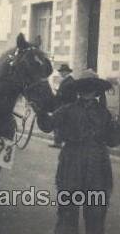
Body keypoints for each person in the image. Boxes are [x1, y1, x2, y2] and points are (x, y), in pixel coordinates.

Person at [37, 69, 120, 234]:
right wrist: (40, 110)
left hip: (97, 167)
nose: (87, 91)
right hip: (71, 164)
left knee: (96, 214)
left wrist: (117, 126)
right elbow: (47, 125)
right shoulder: (67, 110)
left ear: (97, 90)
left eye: (91, 87)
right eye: (84, 87)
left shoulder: (105, 114)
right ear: (78, 90)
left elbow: (112, 141)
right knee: (67, 214)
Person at [49, 64, 76, 148]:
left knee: (60, 124)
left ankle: (59, 142)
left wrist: (59, 94)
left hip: (65, 106)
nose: (60, 73)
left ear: (66, 72)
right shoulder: (67, 80)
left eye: (62, 72)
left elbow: (70, 96)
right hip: (63, 105)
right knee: (60, 124)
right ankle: (58, 142)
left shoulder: (70, 81)